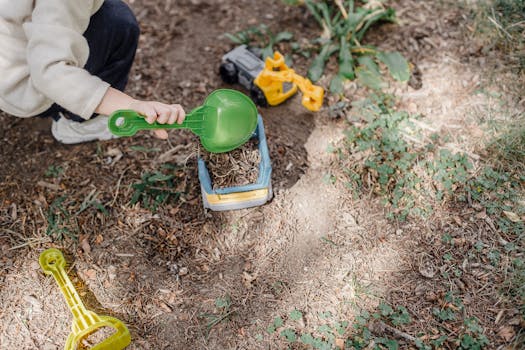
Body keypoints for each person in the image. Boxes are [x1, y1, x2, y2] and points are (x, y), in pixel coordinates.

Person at [0, 0, 184, 144]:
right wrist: (131, 106)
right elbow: (49, 72)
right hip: (21, 85)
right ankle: (80, 125)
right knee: (119, 24)